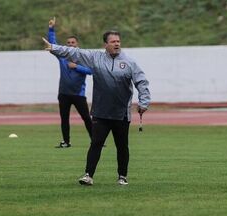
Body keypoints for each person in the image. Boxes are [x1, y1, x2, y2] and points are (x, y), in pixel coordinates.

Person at [42, 29, 151, 186]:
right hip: (101, 112)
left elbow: (141, 82)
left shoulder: (129, 63)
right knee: (96, 143)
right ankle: (88, 175)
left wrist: (144, 101)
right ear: (105, 44)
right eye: (113, 42)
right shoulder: (95, 58)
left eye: (118, 41)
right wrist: (53, 47)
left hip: (121, 113)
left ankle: (122, 176)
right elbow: (74, 53)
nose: (117, 44)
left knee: (122, 146)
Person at [47, 17, 93, 148]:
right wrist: (51, 29)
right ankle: (66, 142)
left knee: (86, 118)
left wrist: (76, 67)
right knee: (64, 119)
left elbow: (91, 71)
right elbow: (53, 44)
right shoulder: (62, 57)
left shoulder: (83, 56)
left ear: (77, 44)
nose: (70, 44)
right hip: (64, 94)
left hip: (78, 94)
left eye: (73, 42)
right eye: (68, 43)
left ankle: (96, 141)